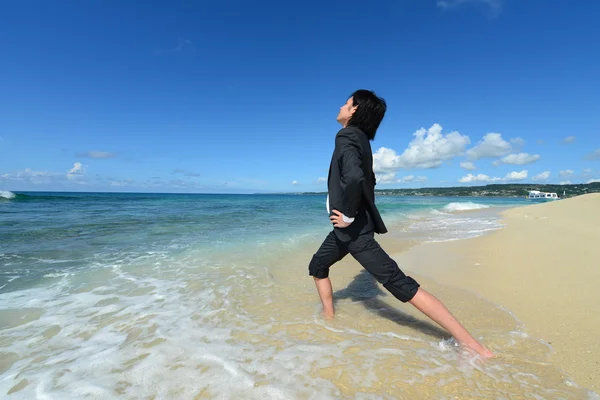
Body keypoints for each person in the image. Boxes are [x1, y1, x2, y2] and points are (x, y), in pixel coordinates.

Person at [308, 89, 494, 358]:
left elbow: (354, 178)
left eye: (346, 103)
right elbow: (366, 180)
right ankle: (329, 320)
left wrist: (348, 215)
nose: (341, 106)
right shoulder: (362, 141)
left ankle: (472, 345)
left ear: (355, 111)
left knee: (399, 283)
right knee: (318, 265)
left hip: (353, 229)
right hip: (348, 229)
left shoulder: (346, 135)